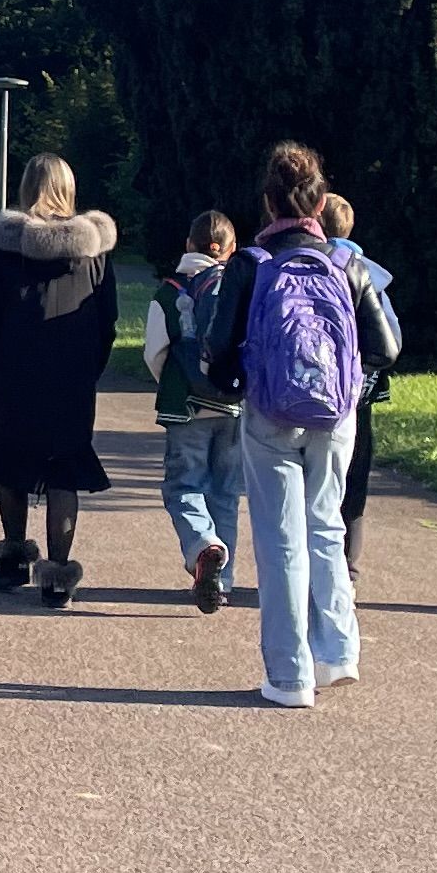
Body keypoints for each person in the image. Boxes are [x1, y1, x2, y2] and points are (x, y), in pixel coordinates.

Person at [206, 141, 367, 706]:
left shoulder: (251, 264)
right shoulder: (347, 264)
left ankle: (289, 676)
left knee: (280, 542)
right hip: (335, 412)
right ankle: (338, 651)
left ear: (269, 205)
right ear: (319, 205)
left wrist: (232, 380)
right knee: (327, 528)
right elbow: (387, 345)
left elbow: (219, 344)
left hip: (270, 409)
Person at [0, 153, 121, 606]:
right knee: (63, 469)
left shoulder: (6, 246)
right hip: (70, 373)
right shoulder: (92, 250)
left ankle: (13, 557)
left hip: (11, 369)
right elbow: (106, 319)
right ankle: (56, 577)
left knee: (8, 460)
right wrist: (89, 366)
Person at [143, 208, 243, 612]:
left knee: (184, 485)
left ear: (189, 245)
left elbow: (155, 352)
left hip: (186, 407)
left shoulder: (169, 292)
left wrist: (172, 381)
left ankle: (203, 544)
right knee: (226, 492)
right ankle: (225, 580)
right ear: (230, 249)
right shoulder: (236, 290)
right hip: (233, 405)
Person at [316, 191, 404, 570]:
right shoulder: (369, 272)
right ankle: (349, 565)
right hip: (359, 393)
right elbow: (392, 340)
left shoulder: (308, 265)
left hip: (314, 389)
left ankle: (314, 565)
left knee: (316, 482)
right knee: (355, 481)